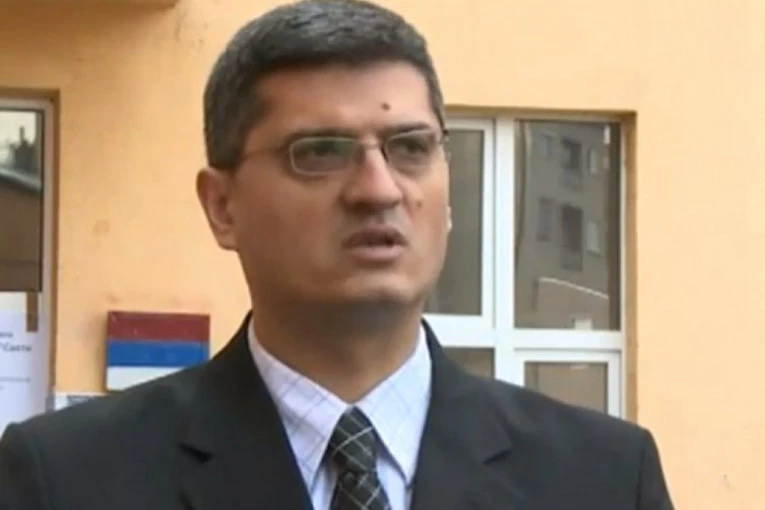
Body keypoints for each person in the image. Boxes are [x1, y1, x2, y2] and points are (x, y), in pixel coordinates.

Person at [0, 1, 675, 509]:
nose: (378, 189)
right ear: (222, 206)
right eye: (319, 152)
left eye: (410, 147)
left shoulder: (603, 478)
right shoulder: (67, 478)